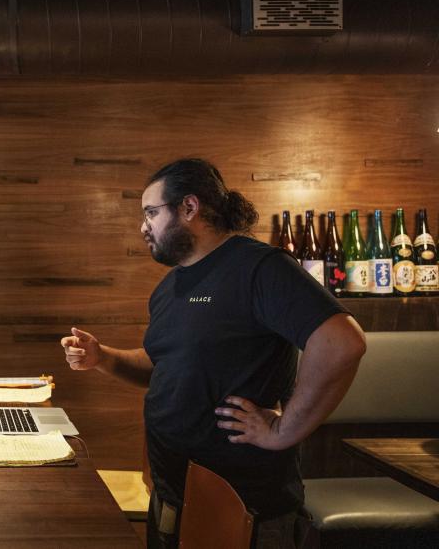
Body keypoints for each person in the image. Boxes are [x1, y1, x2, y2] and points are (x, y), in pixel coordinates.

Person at [61, 159, 366, 548]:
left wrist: (284, 430)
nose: (143, 227)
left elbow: (342, 343)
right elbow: (166, 365)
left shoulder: (259, 267)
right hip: (173, 493)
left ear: (189, 208)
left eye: (151, 213)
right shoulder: (170, 287)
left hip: (242, 504)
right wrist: (103, 357)